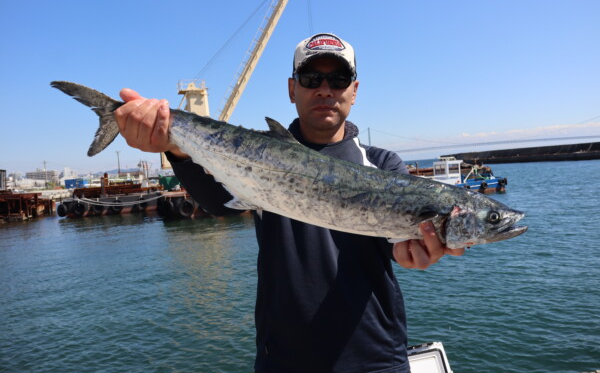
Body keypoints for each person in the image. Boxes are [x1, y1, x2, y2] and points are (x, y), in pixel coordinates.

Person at [115, 33, 464, 373]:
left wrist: (413, 252)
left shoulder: (384, 165)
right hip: (282, 359)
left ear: (354, 91)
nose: (325, 89)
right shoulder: (259, 153)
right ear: (292, 88)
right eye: (312, 77)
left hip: (375, 358)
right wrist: (173, 145)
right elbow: (220, 203)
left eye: (339, 78)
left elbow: (400, 245)